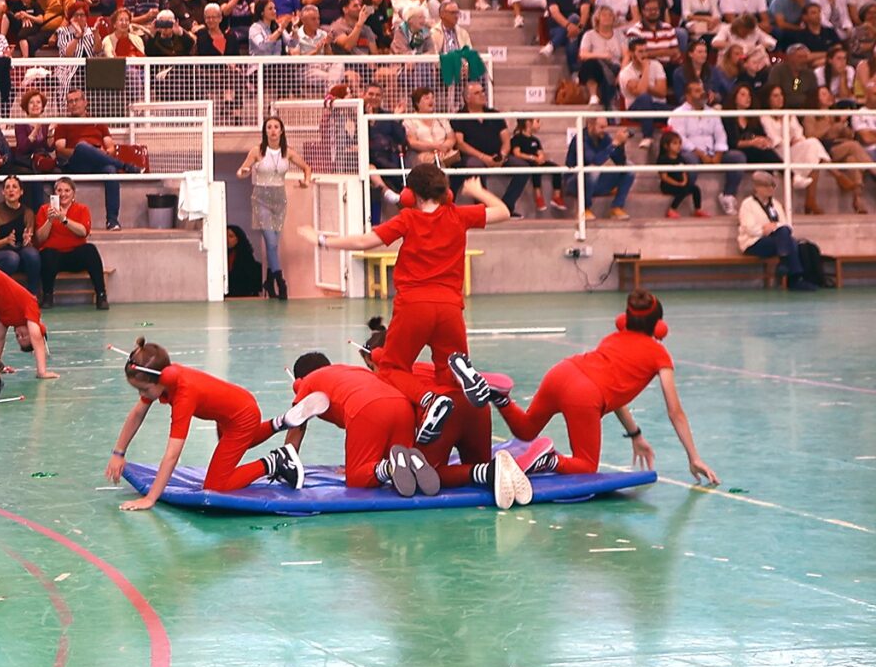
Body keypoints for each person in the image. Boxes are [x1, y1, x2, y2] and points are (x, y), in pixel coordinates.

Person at [317, 162, 510, 445]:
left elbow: (364, 241)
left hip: (414, 307)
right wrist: (477, 191)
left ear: (412, 194)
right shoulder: (458, 214)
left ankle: (428, 400)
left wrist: (322, 240)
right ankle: (461, 378)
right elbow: (503, 212)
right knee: (447, 374)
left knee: (391, 368)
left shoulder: (407, 219)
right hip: (450, 308)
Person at [494, 291, 718, 492]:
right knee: (586, 466)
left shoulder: (611, 339)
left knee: (525, 430)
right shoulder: (660, 355)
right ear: (659, 325)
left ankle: (500, 397)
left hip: (561, 372)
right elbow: (675, 412)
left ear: (625, 319)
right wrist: (694, 457)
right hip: (583, 394)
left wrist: (635, 435)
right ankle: (549, 460)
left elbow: (614, 394)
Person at [105, 338, 277, 508]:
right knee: (238, 446)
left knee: (216, 486)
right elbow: (137, 414)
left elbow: (173, 454)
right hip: (231, 414)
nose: (141, 394)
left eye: (144, 389)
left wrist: (150, 499)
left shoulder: (184, 395)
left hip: (243, 417)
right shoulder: (162, 379)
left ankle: (274, 462)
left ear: (162, 378)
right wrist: (118, 453)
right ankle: (277, 423)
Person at [270, 351, 435, 496]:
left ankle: (388, 467)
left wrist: (286, 465)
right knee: (400, 461)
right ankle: (411, 462)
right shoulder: (353, 370)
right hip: (402, 405)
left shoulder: (308, 381)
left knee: (357, 478)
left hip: (367, 409)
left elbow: (296, 425)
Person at [236, 115, 309, 300]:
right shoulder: (257, 151)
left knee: (273, 244)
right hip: (261, 197)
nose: (273, 130)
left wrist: (306, 182)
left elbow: (306, 168)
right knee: (271, 242)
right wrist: (243, 172)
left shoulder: (288, 152)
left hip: (279, 198)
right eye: (269, 127)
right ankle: (280, 282)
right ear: (265, 131)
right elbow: (241, 171)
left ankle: (268, 281)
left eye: (276, 127)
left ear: (282, 130)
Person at [735, 169, 821, 288]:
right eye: (766, 186)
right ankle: (794, 277)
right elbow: (750, 229)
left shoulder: (776, 204)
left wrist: (773, 227)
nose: (770, 189)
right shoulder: (747, 204)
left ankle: (786, 266)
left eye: (772, 186)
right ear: (757, 188)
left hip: (777, 240)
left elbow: (785, 225)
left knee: (786, 235)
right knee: (790, 242)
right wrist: (764, 230)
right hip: (753, 242)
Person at [33, 175, 108, 309]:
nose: (63, 194)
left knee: (90, 250)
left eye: (67, 191)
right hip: (54, 257)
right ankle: (47, 296)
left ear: (73, 193)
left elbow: (83, 231)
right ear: (54, 193)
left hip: (75, 255)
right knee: (47, 254)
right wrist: (50, 221)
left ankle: (101, 295)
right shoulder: (44, 210)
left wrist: (64, 219)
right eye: (59, 190)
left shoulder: (82, 209)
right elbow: (39, 239)